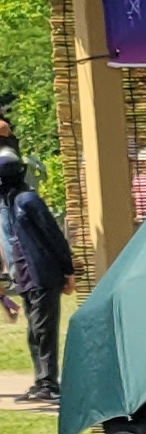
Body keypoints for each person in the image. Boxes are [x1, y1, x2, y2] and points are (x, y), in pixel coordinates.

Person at [0, 151, 73, 405]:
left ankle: (49, 384)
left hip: (42, 275)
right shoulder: (11, 203)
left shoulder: (28, 200)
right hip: (26, 277)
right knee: (34, 332)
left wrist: (68, 271)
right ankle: (42, 382)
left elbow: (54, 236)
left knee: (43, 331)